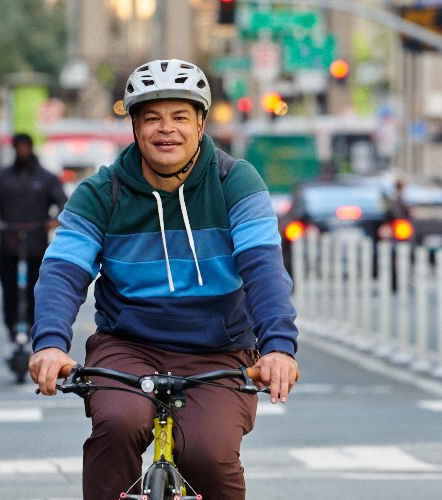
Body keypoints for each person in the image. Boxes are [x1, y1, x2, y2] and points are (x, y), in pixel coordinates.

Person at [27, 59, 299, 500]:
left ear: (201, 124)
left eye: (180, 117)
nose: (166, 129)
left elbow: (264, 270)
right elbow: (63, 270)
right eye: (152, 118)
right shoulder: (101, 192)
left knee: (208, 454)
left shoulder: (235, 181)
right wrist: (50, 344)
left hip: (219, 349)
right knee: (118, 425)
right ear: (134, 127)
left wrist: (278, 348)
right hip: (128, 346)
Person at [0, 133, 67, 360]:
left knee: (37, 289)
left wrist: (55, 220)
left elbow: (62, 201)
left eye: (26, 146)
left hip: (36, 242)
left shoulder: (46, 177)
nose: (23, 151)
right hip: (9, 242)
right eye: (19, 147)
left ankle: (34, 332)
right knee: (9, 290)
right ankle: (12, 332)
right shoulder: (2, 177)